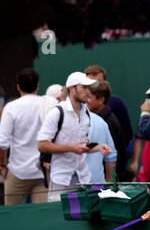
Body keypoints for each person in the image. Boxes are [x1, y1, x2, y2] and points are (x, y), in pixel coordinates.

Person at [37, 72, 108, 203]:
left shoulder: (86, 112)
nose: (88, 92)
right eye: (84, 87)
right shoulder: (56, 112)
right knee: (59, 214)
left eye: (89, 88)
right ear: (71, 89)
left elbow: (82, 146)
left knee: (80, 215)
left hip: (83, 178)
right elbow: (41, 145)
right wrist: (72, 148)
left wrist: (99, 147)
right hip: (61, 180)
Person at [0, 68, 49, 204]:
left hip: (17, 171)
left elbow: (2, 143)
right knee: (43, 215)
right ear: (38, 86)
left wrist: (2, 166)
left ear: (18, 87)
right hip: (42, 172)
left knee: (12, 214)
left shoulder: (10, 107)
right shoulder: (48, 104)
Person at [82, 65, 133, 177]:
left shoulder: (107, 119)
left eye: (98, 82)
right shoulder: (88, 113)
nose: (86, 99)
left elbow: (122, 138)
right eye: (89, 84)